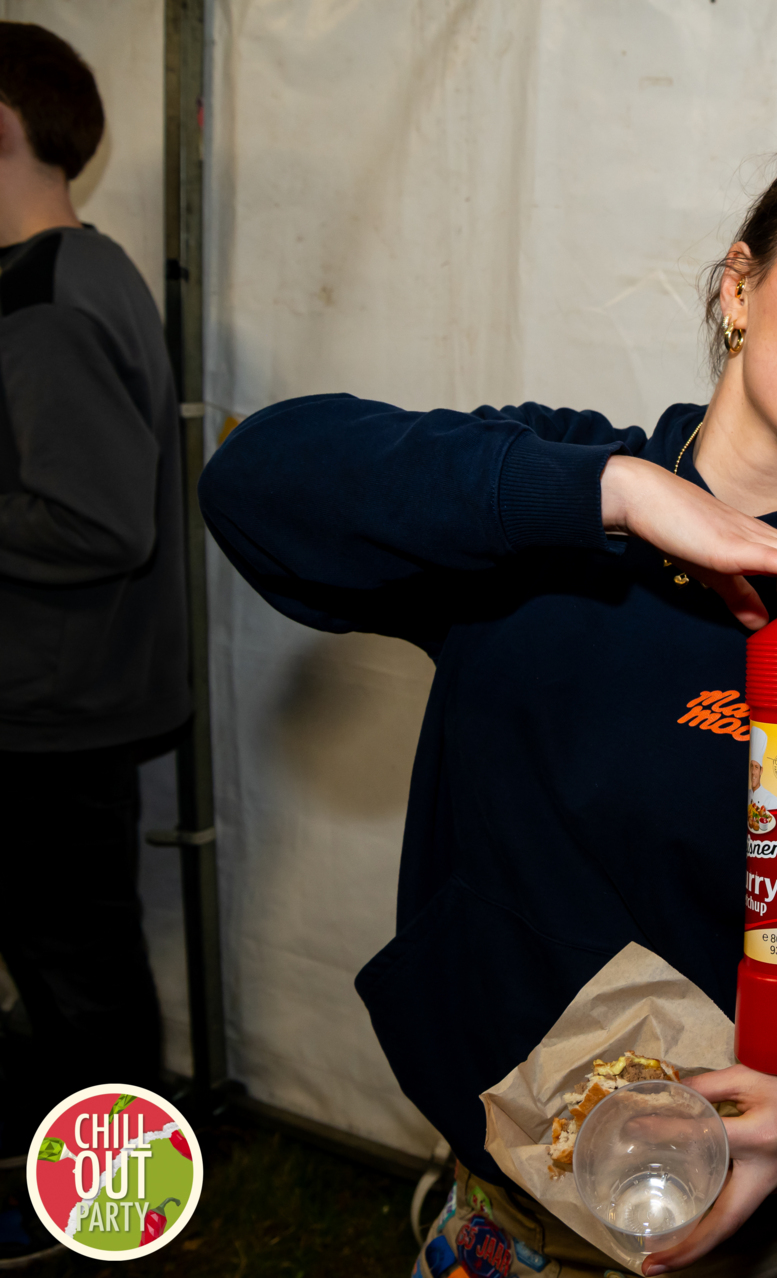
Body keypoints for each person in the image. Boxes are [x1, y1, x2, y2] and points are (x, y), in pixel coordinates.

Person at [199, 137, 777, 1277]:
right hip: (517, 1228)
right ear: (740, 287)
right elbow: (258, 481)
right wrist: (614, 497)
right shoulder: (561, 491)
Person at [0, 23, 184, 1263]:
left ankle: (116, 1217)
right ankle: (63, 1164)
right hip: (52, 700)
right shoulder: (66, 272)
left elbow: (96, 521)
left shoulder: (50, 299)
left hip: (53, 711)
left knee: (82, 977)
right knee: (66, 965)